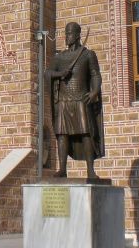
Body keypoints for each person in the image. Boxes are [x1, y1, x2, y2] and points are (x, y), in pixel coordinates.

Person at [45, 22, 104, 179]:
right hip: (64, 101)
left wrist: (94, 92)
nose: (67, 37)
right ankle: (63, 169)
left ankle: (90, 170)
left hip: (81, 99)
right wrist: (60, 74)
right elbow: (47, 73)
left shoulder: (88, 54)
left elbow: (95, 74)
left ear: (77, 35)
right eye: (66, 34)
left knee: (86, 134)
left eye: (70, 34)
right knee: (62, 134)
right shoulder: (60, 57)